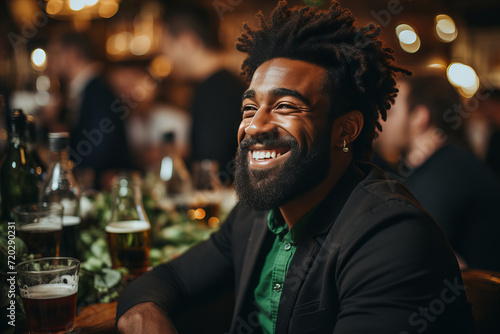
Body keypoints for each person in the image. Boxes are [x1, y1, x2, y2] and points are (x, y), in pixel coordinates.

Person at [116, 2, 475, 333]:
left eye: (286, 106)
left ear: (345, 130)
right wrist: (144, 311)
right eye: (249, 108)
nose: (255, 126)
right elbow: (170, 280)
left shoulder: (391, 238)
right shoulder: (257, 215)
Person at [375, 75, 500, 271]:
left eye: (390, 111)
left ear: (420, 117)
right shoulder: (439, 164)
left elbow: (406, 248)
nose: (381, 119)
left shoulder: (451, 171)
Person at [161, 1, 245, 178]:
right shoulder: (221, 83)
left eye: (167, 48)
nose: (167, 58)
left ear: (187, 42)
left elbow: (211, 165)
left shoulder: (214, 91)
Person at [47, 32, 132, 189]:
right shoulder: (82, 91)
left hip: (105, 189)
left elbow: (97, 149)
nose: (49, 61)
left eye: (55, 53)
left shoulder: (98, 92)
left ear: (71, 54)